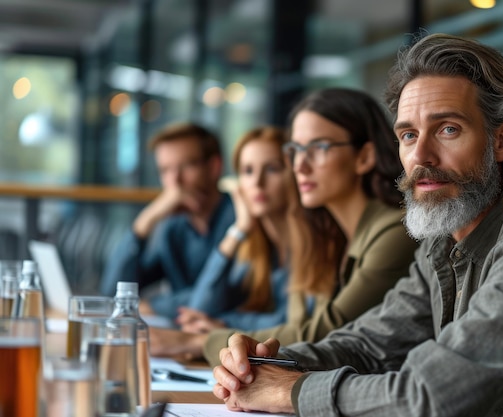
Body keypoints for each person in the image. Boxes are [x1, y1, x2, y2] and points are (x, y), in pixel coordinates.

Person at [212, 33, 503, 416]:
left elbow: (433, 395)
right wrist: (261, 365)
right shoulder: (444, 241)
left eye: (448, 129)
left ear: (502, 141)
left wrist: (288, 389)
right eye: (408, 135)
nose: (422, 155)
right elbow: (369, 345)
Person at [149, 87, 419, 365]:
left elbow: (324, 332)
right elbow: (298, 322)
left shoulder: (394, 232)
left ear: (364, 157)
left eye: (319, 148)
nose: (299, 166)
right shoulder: (327, 233)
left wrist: (198, 341)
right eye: (296, 150)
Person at [175, 126, 306, 333]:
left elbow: (294, 324)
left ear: (294, 174)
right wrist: (238, 230)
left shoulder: (312, 244)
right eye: (247, 171)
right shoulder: (256, 247)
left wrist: (225, 324)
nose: (257, 182)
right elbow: (200, 310)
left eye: (272, 169)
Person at [100, 122, 235, 318]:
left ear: (214, 167)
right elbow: (114, 292)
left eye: (187, 166)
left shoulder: (241, 220)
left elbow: (226, 294)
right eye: (165, 170)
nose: (175, 181)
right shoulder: (174, 227)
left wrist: (153, 306)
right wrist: (144, 221)